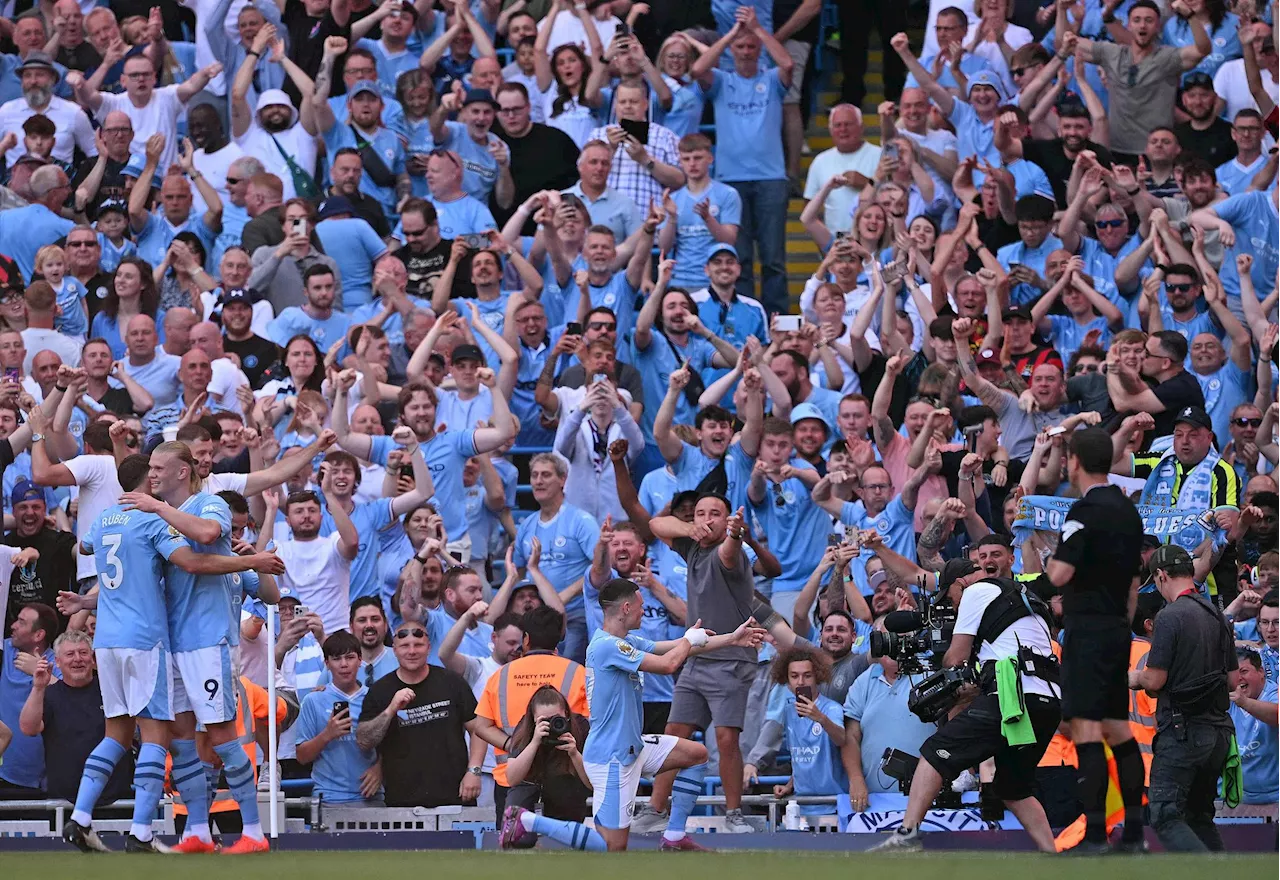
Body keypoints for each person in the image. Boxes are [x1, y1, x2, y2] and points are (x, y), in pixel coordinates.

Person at [60, 453, 283, 853]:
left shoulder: (197, 505)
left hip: (199, 642)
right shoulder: (159, 517)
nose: (157, 476)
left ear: (181, 473)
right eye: (153, 471)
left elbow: (90, 546)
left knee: (216, 736)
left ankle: (252, 830)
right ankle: (193, 829)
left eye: (162, 469)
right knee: (176, 737)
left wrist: (251, 561)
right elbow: (161, 569)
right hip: (161, 642)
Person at [498, 576, 766, 852]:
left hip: (632, 745)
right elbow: (668, 664)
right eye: (640, 604)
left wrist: (732, 639)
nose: (643, 610)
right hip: (612, 757)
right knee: (612, 845)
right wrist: (689, 641)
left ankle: (674, 837)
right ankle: (526, 820)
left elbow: (674, 647)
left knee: (696, 755)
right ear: (626, 608)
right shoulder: (607, 646)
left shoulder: (623, 641)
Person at [871, 558, 1063, 853]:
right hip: (1048, 702)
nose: (954, 607)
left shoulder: (977, 591)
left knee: (934, 752)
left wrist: (947, 667)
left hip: (1013, 697)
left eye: (950, 599)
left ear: (960, 584)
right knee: (1014, 788)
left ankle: (907, 833)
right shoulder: (1021, 595)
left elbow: (955, 658)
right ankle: (1053, 854)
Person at [1045, 427, 1149, 853]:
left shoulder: (1082, 513)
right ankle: (1135, 833)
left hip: (1087, 630)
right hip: (1116, 630)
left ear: (1074, 462)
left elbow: (1058, 574)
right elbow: (1133, 585)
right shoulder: (1129, 513)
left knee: (1086, 727)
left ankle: (1093, 834)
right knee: (1117, 728)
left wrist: (1052, 559)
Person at [636, 497, 759, 836]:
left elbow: (729, 551)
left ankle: (734, 813)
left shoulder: (729, 552)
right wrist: (690, 527)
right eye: (700, 513)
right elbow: (655, 525)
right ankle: (655, 809)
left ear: (726, 521)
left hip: (731, 660)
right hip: (694, 659)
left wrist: (734, 533)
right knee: (673, 735)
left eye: (715, 514)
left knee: (725, 738)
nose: (707, 519)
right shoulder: (692, 549)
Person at [1132, 544, 1237, 852]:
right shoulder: (1217, 615)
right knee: (1199, 817)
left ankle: (1204, 874)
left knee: (1164, 813)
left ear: (1161, 576)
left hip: (1183, 733)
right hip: (1218, 733)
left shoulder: (1169, 616)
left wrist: (1131, 678)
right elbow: (1232, 680)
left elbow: (1154, 680)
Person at [356, 621, 486, 807]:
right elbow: (364, 741)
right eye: (404, 646)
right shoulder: (380, 691)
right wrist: (391, 710)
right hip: (402, 801)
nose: (412, 651)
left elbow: (478, 729)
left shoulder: (452, 682)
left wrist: (474, 771)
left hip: (455, 796)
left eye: (418, 645)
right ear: (394, 649)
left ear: (428, 648)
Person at [18, 630, 133, 806]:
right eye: (70, 654)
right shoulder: (49, 694)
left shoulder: (112, 689)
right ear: (57, 661)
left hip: (116, 798)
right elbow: (28, 728)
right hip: (65, 802)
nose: (77, 659)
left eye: (83, 653)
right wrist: (38, 687)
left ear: (93, 658)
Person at [840, 616, 936, 810]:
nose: (892, 646)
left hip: (930, 800)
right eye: (886, 638)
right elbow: (850, 737)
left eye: (899, 638)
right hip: (875, 803)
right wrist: (856, 779)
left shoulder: (931, 673)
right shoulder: (863, 682)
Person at [496, 683, 591, 846]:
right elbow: (512, 779)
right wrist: (534, 742)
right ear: (533, 719)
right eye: (544, 721)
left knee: (565, 838)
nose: (551, 725)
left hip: (566, 787)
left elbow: (591, 783)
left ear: (566, 714)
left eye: (557, 719)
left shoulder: (580, 726)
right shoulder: (526, 728)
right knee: (519, 839)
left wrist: (574, 753)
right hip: (530, 785)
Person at [295, 631, 382, 805]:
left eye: (349, 657)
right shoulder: (314, 700)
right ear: (327, 663)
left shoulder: (376, 698)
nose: (344, 664)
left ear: (360, 660)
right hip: (329, 797)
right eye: (336, 659)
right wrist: (327, 734)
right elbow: (302, 756)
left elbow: (394, 744)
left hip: (371, 795)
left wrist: (381, 769)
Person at [1228, 647, 1280, 805]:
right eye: (1234, 673)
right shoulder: (1227, 696)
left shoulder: (1273, 693)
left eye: (1244, 671)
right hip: (1236, 797)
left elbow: (1277, 714)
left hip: (1275, 797)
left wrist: (1244, 702)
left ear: (1261, 672)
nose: (1239, 679)